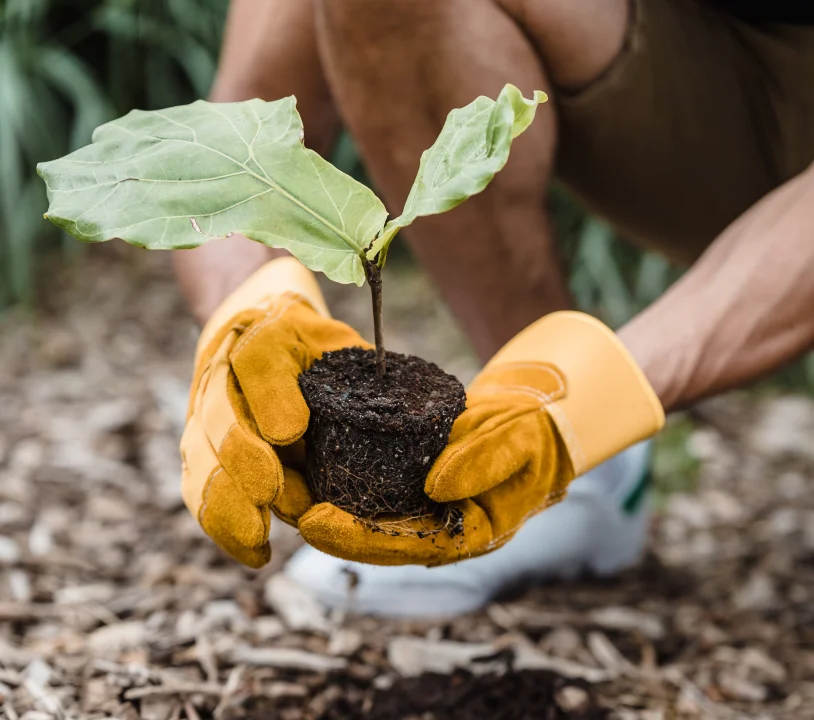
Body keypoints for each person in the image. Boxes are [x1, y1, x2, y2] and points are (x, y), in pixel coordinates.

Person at [175, 0, 814, 617]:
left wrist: (595, 392)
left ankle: (565, 455)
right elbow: (236, 139)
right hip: (701, 100)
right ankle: (568, 485)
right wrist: (245, 308)